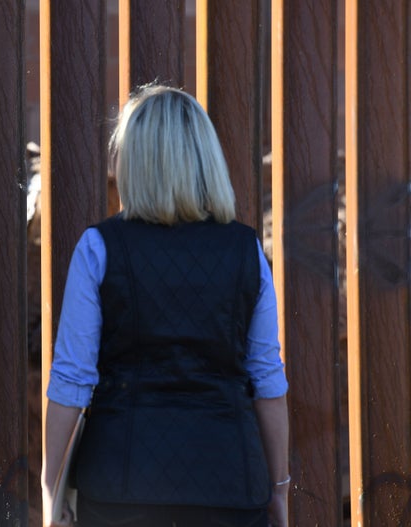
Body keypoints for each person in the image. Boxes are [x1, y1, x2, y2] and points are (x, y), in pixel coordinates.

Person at [41, 84, 289, 527]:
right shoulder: (246, 250)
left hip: (121, 487)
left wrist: (50, 486)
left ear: (135, 160)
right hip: (230, 483)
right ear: (205, 158)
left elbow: (71, 381)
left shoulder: (99, 248)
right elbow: (267, 380)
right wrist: (279, 489)